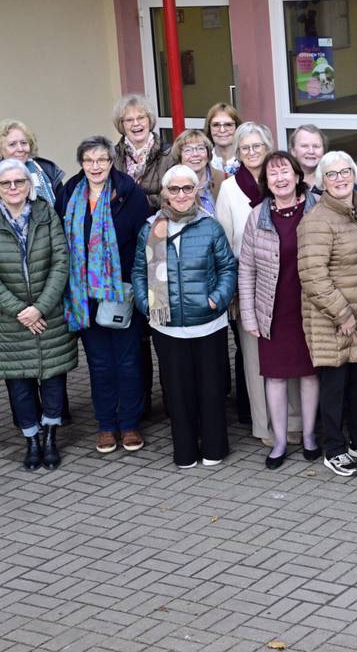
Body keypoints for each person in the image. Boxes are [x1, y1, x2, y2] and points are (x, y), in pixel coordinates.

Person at [132, 165, 237, 469]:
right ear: (165, 193)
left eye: (187, 188)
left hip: (208, 322)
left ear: (196, 192)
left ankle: (215, 447)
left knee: (211, 389)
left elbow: (228, 268)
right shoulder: (150, 228)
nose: (181, 195)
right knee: (177, 393)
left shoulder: (210, 225)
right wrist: (146, 303)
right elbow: (139, 272)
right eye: (174, 189)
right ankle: (186, 451)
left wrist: (216, 299)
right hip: (167, 326)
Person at [298, 151, 357, 478]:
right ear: (322, 181)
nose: (339, 179)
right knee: (335, 386)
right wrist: (342, 314)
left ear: (355, 175)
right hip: (334, 320)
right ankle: (334, 447)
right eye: (332, 174)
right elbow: (312, 275)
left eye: (345, 172)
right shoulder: (317, 220)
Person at [57, 136, 150, 454]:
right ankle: (106, 425)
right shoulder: (70, 191)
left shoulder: (128, 193)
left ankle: (129, 424)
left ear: (112, 162)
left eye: (102, 160)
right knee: (98, 363)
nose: (95, 166)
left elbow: (143, 241)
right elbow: (61, 239)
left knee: (127, 360)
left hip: (120, 291)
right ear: (81, 163)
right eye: (88, 160)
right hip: (83, 293)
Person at [239, 151, 320, 469]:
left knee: (310, 374)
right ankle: (280, 441)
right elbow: (246, 269)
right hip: (272, 308)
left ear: (298, 176)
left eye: (285, 171)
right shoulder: (257, 215)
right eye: (273, 174)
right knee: (274, 377)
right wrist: (249, 314)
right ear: (267, 182)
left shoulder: (316, 208)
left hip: (310, 308)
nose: (280, 178)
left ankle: (311, 437)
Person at [215, 121, 290, 445]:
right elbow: (223, 243)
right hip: (251, 282)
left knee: (289, 355)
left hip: (287, 283)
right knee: (255, 358)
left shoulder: (282, 182)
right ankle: (265, 427)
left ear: (268, 146)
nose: (251, 152)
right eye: (245, 148)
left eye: (257, 146)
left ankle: (294, 422)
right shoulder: (230, 189)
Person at [0, 159, 76, 470]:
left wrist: (40, 307)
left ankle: (50, 438)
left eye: (19, 182)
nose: (13, 188)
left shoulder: (46, 213)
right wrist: (21, 310)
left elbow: (61, 261)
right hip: (10, 320)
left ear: (30, 186)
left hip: (49, 313)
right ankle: (31, 439)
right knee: (19, 383)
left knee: (54, 378)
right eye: (6, 184)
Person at [112, 93, 173, 209]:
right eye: (129, 120)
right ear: (122, 125)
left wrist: (133, 201)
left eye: (141, 118)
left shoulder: (169, 154)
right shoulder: (112, 156)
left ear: (149, 120)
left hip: (157, 221)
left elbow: (172, 195)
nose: (136, 123)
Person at [0, 119, 64, 204]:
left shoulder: (48, 170)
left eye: (23, 143)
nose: (20, 149)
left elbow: (61, 210)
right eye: (12, 144)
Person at [170, 129, 226, 214]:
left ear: (208, 154)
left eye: (200, 148)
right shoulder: (171, 185)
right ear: (179, 156)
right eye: (188, 150)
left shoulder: (226, 179)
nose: (195, 154)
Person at [204, 103, 241, 175]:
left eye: (228, 124)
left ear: (237, 127)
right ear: (209, 128)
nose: (222, 130)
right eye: (216, 125)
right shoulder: (203, 160)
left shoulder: (248, 158)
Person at [290, 124, 328, 194]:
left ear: (324, 151)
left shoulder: (333, 180)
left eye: (316, 146)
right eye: (304, 146)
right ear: (293, 151)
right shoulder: (284, 182)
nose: (311, 151)